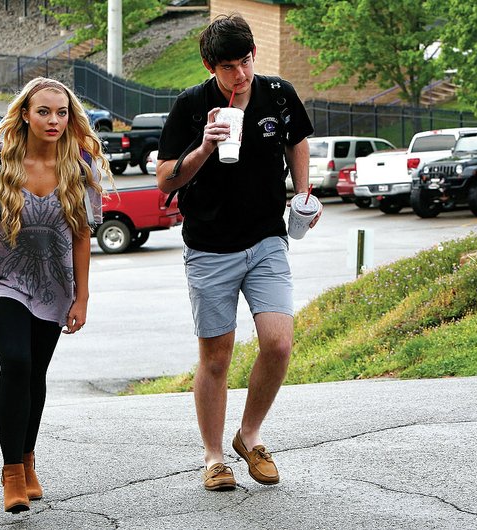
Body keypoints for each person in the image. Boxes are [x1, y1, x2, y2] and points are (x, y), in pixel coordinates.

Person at [156, 13, 320, 491]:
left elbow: (299, 140)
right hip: (209, 248)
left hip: (267, 239)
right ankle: (213, 458)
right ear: (211, 67)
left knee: (278, 342)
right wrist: (204, 147)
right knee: (217, 357)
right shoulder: (191, 106)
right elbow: (165, 179)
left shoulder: (279, 94)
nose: (240, 75)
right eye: (228, 67)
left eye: (245, 62)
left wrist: (304, 192)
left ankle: (248, 437)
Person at [0, 77, 111, 513]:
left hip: (53, 286)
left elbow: (81, 237)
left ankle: (28, 457)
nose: (53, 120)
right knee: (16, 363)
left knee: (34, 375)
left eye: (61, 113)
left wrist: (82, 297)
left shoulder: (81, 166)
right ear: (25, 114)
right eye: (43, 112)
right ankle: (11, 473)